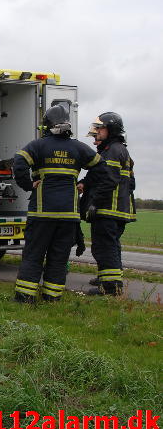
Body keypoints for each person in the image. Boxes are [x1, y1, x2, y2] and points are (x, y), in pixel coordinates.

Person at [12, 102, 101, 303]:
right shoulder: (78, 147)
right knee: (59, 258)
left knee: (34, 255)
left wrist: (28, 185)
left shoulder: (38, 146)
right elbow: (101, 167)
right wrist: (84, 183)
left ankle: (25, 297)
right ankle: (52, 297)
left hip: (42, 215)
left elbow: (18, 163)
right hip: (69, 217)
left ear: (46, 126)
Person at [78, 112, 136, 296]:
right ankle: (108, 278)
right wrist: (85, 184)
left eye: (100, 128)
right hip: (118, 209)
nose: (96, 133)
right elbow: (128, 183)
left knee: (104, 246)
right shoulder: (116, 149)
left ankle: (110, 288)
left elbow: (108, 180)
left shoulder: (111, 151)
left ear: (111, 129)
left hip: (108, 208)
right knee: (110, 245)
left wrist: (94, 203)